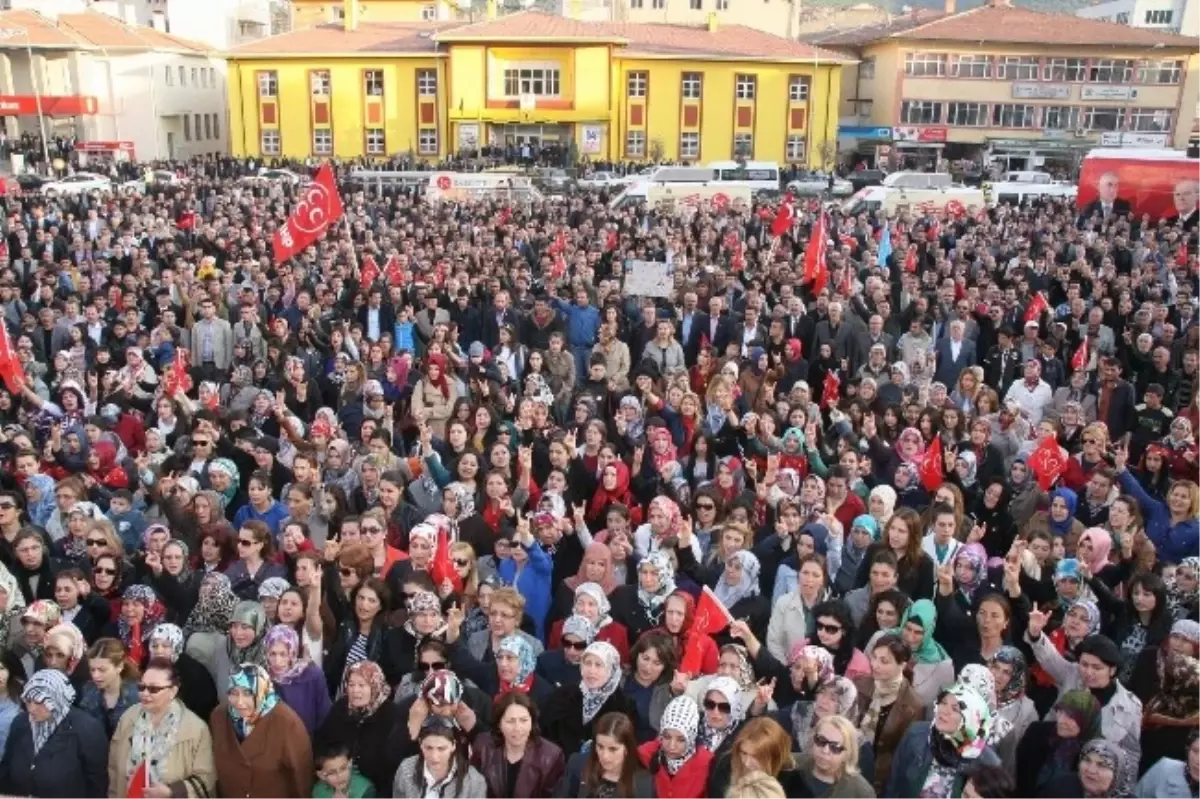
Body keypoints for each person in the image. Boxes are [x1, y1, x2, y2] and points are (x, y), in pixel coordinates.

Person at [107, 657, 217, 799]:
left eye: (154, 689)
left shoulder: (195, 729)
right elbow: (114, 769)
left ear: (173, 691)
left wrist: (171, 792)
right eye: (141, 687)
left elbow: (206, 778)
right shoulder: (128, 718)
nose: (145, 694)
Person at [209, 663, 314, 799]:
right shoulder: (219, 717)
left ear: (262, 691)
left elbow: (301, 780)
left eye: (248, 693)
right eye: (234, 692)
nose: (240, 702)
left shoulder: (288, 723)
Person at [0, 668, 108, 799]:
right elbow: (6, 770)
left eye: (40, 702)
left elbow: (97, 784)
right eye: (28, 701)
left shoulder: (87, 729)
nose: (32, 709)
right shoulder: (21, 723)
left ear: (57, 699)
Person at [887, 685, 1001, 799]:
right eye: (943, 703)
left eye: (955, 709)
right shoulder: (917, 734)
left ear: (972, 718)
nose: (944, 711)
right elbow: (894, 782)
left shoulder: (987, 761)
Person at [315, 660, 402, 796]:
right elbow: (323, 743)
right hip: (337, 786)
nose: (355, 690)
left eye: (362, 685)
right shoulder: (341, 708)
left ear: (374, 686)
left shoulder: (391, 714)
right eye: (351, 684)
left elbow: (394, 763)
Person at [543, 641, 636, 756]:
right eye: (588, 663)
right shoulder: (562, 695)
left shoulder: (623, 706)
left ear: (611, 670)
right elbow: (546, 734)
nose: (591, 671)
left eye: (598, 665)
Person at [470, 691, 565, 799]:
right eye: (510, 721)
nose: (517, 728)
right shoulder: (483, 746)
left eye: (524, 720)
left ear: (532, 722)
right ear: (499, 724)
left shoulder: (551, 755)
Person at [392, 715, 487, 799]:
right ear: (420, 744)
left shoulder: (474, 781)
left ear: (453, 745)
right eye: (428, 748)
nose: (434, 757)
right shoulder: (406, 770)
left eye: (441, 749)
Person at [637, 696, 713, 799]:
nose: (672, 746)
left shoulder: (706, 763)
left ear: (691, 738)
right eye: (667, 737)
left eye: (681, 739)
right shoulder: (645, 755)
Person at [794, 715, 876, 799]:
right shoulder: (789, 764)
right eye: (821, 741)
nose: (825, 750)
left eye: (835, 747)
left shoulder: (861, 793)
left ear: (848, 753)